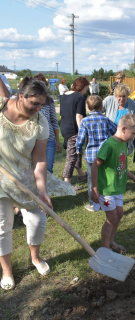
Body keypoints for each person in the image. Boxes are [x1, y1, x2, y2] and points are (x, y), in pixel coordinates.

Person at [0, 78, 75, 290]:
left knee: (36, 222)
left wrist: (42, 190)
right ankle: (7, 271)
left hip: (25, 179)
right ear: (20, 96)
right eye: (35, 103)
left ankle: (35, 257)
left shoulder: (40, 123)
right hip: (0, 179)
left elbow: (40, 159)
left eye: (42, 104)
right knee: (2, 227)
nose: (38, 108)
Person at [91, 114, 135, 254]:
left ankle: (110, 241)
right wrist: (95, 188)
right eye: (133, 133)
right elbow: (95, 166)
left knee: (119, 214)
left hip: (117, 189)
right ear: (123, 129)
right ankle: (105, 248)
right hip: (107, 190)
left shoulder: (123, 144)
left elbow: (122, 166)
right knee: (112, 217)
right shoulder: (109, 145)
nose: (134, 137)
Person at [76, 95, 117, 212]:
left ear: (88, 108)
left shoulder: (85, 121)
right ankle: (107, 200)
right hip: (105, 154)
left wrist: (78, 149)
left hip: (91, 156)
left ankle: (93, 203)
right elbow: (115, 132)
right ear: (101, 107)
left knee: (91, 178)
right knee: (105, 177)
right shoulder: (106, 119)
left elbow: (81, 138)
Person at [60, 77, 90, 189]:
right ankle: (67, 183)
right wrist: (82, 130)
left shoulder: (63, 96)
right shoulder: (79, 97)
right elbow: (79, 116)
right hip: (74, 129)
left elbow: (61, 115)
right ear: (82, 87)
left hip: (64, 127)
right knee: (72, 156)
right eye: (86, 88)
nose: (86, 91)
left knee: (78, 151)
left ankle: (81, 174)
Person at [33, 73, 62, 173]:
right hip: (33, 140)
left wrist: (57, 140)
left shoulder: (49, 101)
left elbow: (54, 120)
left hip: (49, 140)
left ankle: (47, 188)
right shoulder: (29, 103)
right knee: (36, 169)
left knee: (48, 169)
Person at [103, 83, 135, 154]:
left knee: (121, 159)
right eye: (119, 96)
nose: (121, 99)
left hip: (125, 140)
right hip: (110, 138)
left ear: (127, 96)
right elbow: (98, 110)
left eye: (124, 96)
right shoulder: (109, 100)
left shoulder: (132, 104)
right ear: (115, 96)